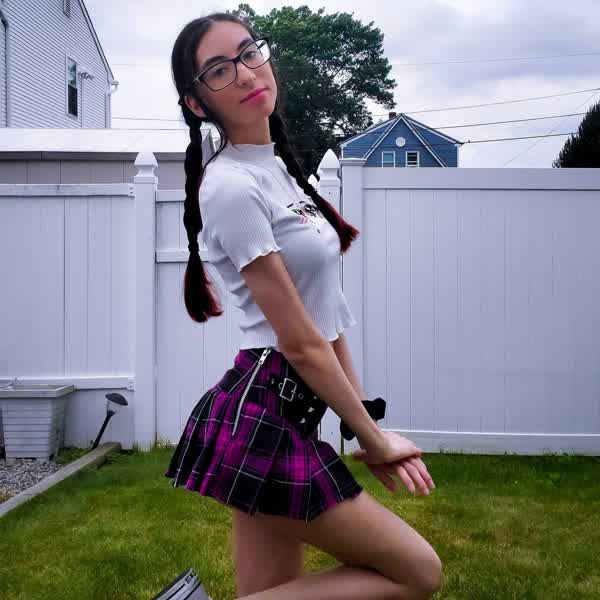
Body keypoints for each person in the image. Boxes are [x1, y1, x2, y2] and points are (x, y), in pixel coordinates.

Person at [164, 12, 442, 600]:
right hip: (266, 410)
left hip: (286, 408)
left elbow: (328, 317)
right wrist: (373, 440)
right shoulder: (231, 186)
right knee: (418, 571)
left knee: (275, 589)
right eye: (219, 70)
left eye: (249, 52)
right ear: (196, 102)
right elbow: (299, 341)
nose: (245, 73)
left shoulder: (277, 173)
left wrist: (362, 424)